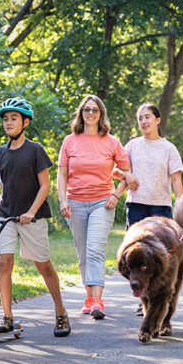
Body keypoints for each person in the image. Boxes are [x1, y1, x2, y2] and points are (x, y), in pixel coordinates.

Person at [0, 97, 71, 337]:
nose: (8, 122)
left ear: (25, 122)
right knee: (3, 264)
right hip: (6, 216)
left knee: (43, 265)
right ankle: (7, 316)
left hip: (31, 216)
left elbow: (44, 186)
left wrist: (31, 212)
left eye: (14, 118)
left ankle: (60, 314)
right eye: (5, 119)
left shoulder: (35, 150)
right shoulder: (0, 154)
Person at [57, 94, 132, 319]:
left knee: (94, 249)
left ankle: (97, 300)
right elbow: (61, 175)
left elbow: (128, 175)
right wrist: (62, 200)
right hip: (75, 202)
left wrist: (116, 195)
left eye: (95, 110)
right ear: (81, 113)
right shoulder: (70, 141)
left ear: (101, 114)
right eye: (86, 110)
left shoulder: (111, 142)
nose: (90, 113)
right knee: (82, 254)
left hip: (102, 202)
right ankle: (88, 297)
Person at [119, 103, 183, 228]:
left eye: (147, 117)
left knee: (162, 246)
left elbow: (176, 180)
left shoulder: (169, 148)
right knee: (136, 246)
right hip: (136, 205)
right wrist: (127, 174)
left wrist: (182, 207)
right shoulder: (132, 146)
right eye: (140, 118)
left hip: (161, 207)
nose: (143, 121)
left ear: (157, 120)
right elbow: (116, 171)